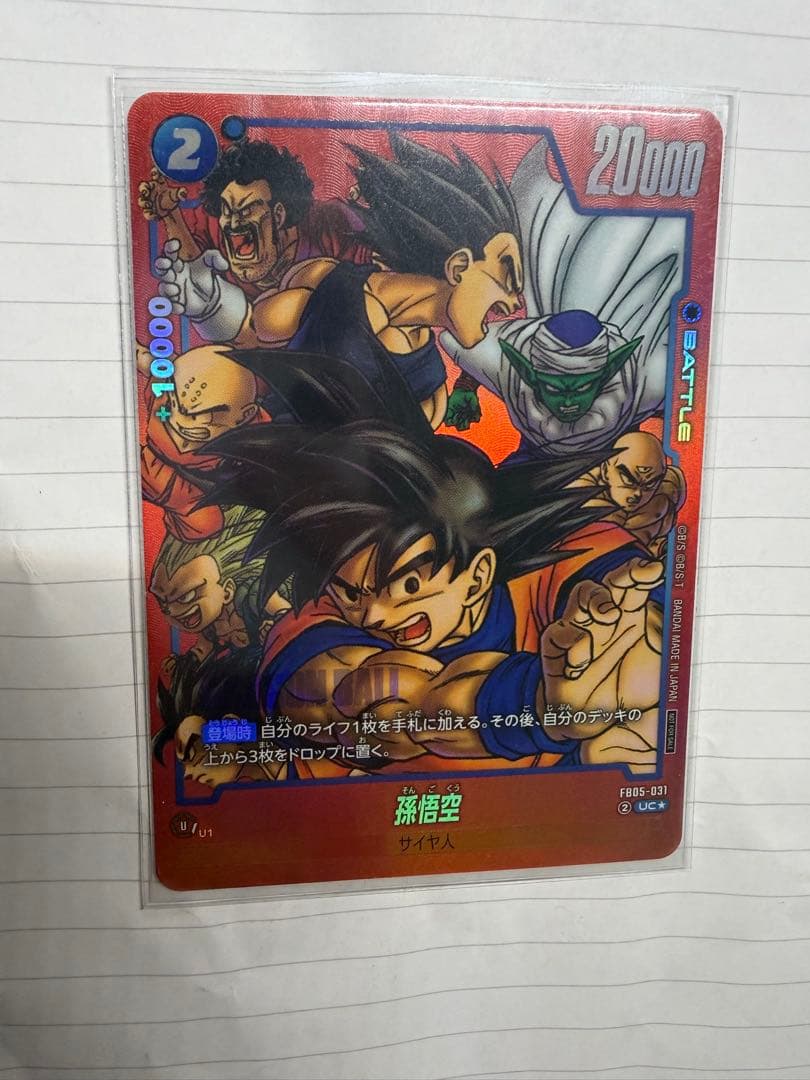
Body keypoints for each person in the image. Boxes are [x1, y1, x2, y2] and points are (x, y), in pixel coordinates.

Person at [204, 351, 665, 776]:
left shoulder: (560, 560)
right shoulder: (313, 629)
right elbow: (376, 704)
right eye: (352, 592)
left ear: (478, 576)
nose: (374, 615)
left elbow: (629, 598)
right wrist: (535, 702)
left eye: (407, 585)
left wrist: (635, 637)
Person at [152, 132, 524, 430]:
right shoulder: (327, 287)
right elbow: (251, 331)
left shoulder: (430, 376)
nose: (514, 302)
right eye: (508, 276)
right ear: (459, 267)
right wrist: (210, 304)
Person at [441, 136, 685, 456]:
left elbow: (681, 389)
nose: (569, 402)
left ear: (607, 373)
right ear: (530, 375)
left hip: (613, 458)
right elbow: (467, 343)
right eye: (555, 388)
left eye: (581, 387)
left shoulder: (645, 380)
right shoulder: (511, 372)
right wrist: (465, 387)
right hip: (534, 458)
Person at [138, 137, 367, 297]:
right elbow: (193, 274)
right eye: (227, 210)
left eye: (247, 210)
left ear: (278, 215)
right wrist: (170, 215)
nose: (233, 221)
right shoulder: (213, 228)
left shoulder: (330, 222)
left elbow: (377, 274)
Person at [572, 431, 686, 557]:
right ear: (605, 471)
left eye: (649, 484)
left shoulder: (663, 500)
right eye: (629, 480)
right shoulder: (581, 490)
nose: (638, 493)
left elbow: (673, 479)